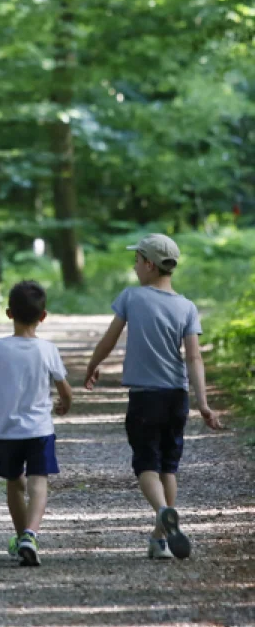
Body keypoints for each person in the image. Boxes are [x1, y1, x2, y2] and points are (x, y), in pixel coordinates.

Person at [83, 233, 221, 561]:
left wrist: (92, 365)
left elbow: (109, 339)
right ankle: (160, 541)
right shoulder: (187, 307)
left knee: (147, 462)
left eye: (136, 261)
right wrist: (202, 402)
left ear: (149, 264)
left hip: (145, 398)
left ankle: (162, 511)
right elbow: (194, 358)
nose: (134, 267)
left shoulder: (131, 297)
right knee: (168, 467)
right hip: (176, 397)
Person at [0, 280, 72, 566]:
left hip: (7, 432)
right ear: (43, 316)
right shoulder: (48, 350)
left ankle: (22, 535)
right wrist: (65, 404)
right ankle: (30, 535)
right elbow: (65, 390)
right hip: (40, 430)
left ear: (9, 313)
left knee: (14, 484)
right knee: (38, 481)